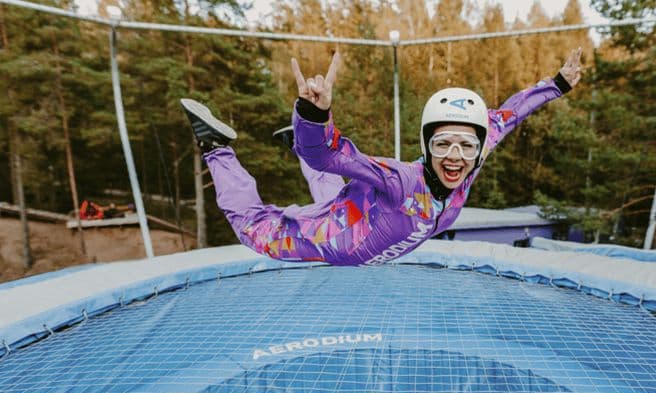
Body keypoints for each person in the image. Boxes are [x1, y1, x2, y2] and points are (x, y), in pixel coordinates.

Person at [180, 48, 582, 266]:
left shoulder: (472, 156)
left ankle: (299, 143)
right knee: (254, 230)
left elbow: (509, 116)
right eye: (443, 144)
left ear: (479, 150)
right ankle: (217, 147)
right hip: (333, 240)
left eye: (466, 147)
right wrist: (314, 117)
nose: (454, 157)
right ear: (426, 145)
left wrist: (558, 85)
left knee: (332, 190)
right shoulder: (400, 180)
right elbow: (333, 154)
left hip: (358, 217)